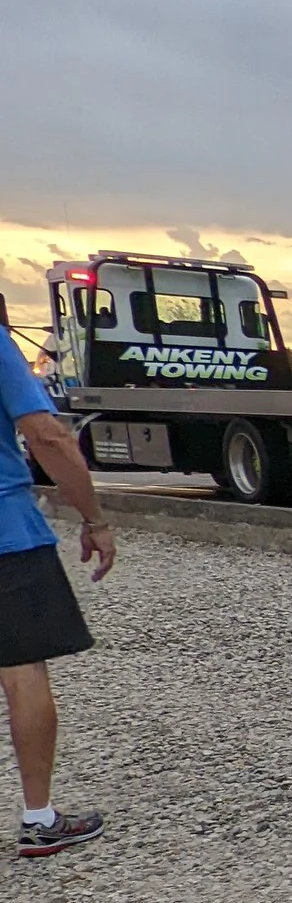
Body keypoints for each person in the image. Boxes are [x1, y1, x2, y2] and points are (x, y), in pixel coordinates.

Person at [1, 330, 114, 857]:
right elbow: (46, 434)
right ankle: (40, 819)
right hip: (7, 538)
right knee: (23, 670)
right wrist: (94, 518)